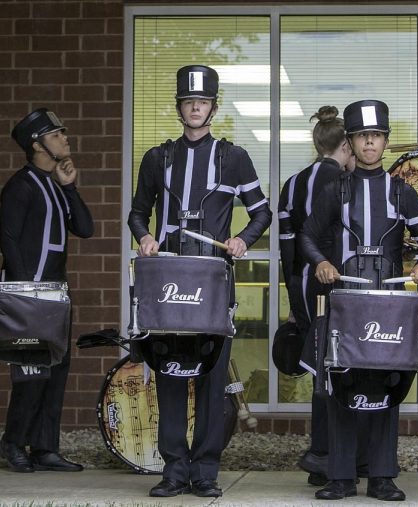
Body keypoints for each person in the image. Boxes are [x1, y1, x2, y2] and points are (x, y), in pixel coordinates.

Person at [127, 64, 272, 498]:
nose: (195, 106)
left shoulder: (234, 157)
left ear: (213, 106)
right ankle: (174, 469)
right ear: (179, 107)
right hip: (168, 279)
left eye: (203, 101)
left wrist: (243, 240)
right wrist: (146, 236)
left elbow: (261, 211)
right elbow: (137, 212)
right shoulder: (158, 158)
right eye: (189, 101)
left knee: (211, 376)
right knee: (170, 370)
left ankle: (206, 469)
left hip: (213, 278)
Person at [300, 99, 418, 501]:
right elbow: (307, 236)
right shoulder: (334, 188)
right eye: (363, 137)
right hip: (344, 301)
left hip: (388, 304)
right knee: (341, 385)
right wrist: (322, 262)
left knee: (385, 384)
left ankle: (382, 476)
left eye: (376, 136)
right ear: (352, 142)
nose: (370, 143)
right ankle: (341, 477)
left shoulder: (402, 191)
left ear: (385, 142)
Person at [0, 108, 94, 473]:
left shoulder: (54, 185)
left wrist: (71, 188)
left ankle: (45, 447)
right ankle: (12, 441)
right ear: (37, 144)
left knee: (56, 371)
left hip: (57, 296)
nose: (65, 139)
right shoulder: (19, 186)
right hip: (29, 295)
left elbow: (85, 228)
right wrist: (26, 296)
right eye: (57, 135)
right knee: (31, 372)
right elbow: (9, 242)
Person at [277, 105, 354, 486]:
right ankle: (328, 455)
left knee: (320, 370)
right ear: (344, 146)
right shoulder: (345, 183)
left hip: (304, 285)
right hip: (338, 280)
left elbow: (286, 247)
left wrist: (293, 298)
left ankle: (321, 457)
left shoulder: (291, 184)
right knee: (341, 367)